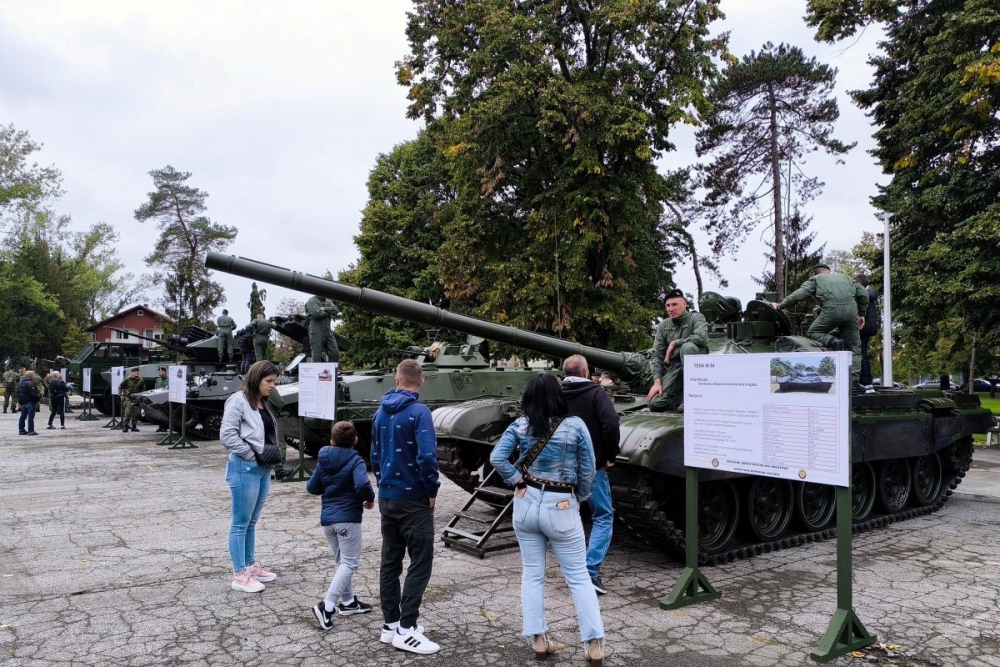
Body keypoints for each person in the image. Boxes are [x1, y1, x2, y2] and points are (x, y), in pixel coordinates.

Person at [489, 373, 604, 665]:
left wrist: (516, 480)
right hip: (561, 502)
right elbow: (588, 470)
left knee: (532, 575)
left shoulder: (520, 424)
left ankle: (539, 641)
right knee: (578, 577)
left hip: (525, 504)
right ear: (558, 395)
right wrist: (580, 497)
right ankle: (594, 645)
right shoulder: (575, 425)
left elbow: (497, 458)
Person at [370, 359, 441, 655]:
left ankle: (390, 624)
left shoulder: (379, 413)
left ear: (397, 380)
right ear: (420, 382)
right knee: (420, 561)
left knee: (391, 560)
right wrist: (431, 489)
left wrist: (382, 483)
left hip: (388, 496)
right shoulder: (419, 412)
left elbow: (374, 454)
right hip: (413, 498)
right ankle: (407, 628)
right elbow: (427, 456)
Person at [219, 360, 283, 593]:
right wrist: (248, 455)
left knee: (252, 521)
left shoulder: (262, 402)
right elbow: (227, 435)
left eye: (274, 381)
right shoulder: (238, 401)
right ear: (256, 379)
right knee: (240, 522)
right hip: (245, 468)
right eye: (268, 381)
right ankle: (239, 574)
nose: (272, 386)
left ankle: (250, 565)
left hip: (263, 468)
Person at [307, 421, 376, 630]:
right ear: (355, 440)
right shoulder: (356, 460)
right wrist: (369, 498)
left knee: (342, 562)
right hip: (348, 519)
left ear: (331, 440)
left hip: (328, 520)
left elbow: (312, 487)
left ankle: (348, 603)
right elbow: (363, 484)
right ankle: (326, 607)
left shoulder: (324, 459)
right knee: (350, 563)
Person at [561, 355, 621, 596]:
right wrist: (609, 454)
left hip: (562, 467)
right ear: (585, 371)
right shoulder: (596, 393)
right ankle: (590, 570)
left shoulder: (557, 393)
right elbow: (610, 423)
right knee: (603, 515)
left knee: (568, 516)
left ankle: (573, 571)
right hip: (591, 466)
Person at [772, 264, 869, 390]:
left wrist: (780, 305)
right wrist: (861, 314)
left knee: (813, 331)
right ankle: (854, 383)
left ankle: (833, 342)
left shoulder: (816, 279)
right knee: (854, 347)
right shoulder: (847, 278)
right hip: (851, 312)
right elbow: (863, 294)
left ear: (815, 273)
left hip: (831, 311)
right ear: (829, 272)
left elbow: (800, 294)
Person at [646, 288, 709, 411]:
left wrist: (676, 343)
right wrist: (657, 382)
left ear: (685, 304)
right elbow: (657, 354)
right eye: (668, 305)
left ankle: (693, 397)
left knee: (687, 347)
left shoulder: (696, 318)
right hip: (677, 367)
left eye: (674, 304)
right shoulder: (664, 325)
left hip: (698, 366)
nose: (670, 309)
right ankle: (680, 397)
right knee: (655, 404)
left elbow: (702, 338)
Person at [854, 273, 879, 387]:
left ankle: (864, 381)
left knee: (860, 353)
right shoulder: (870, 296)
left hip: (863, 327)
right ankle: (868, 381)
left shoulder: (861, 296)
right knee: (863, 353)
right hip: (869, 326)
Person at [305, 295, 341, 363]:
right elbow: (318, 314)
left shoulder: (328, 301)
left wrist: (325, 309)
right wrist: (329, 313)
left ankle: (332, 372)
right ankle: (316, 372)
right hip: (316, 331)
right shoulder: (311, 301)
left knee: (335, 353)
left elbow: (336, 310)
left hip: (328, 331)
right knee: (316, 356)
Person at [119, 367, 146, 433]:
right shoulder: (127, 379)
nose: (137, 373)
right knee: (128, 410)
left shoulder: (141, 380)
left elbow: (143, 389)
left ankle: (134, 426)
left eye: (137, 372)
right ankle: (125, 426)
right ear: (132, 373)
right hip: (128, 397)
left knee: (136, 412)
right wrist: (120, 395)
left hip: (136, 397)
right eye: (135, 372)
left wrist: (142, 397)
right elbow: (120, 386)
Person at [16, 370, 41, 436]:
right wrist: (38, 398)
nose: (34, 376)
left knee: (22, 416)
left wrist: (20, 402)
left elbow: (18, 393)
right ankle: (31, 430)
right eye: (33, 375)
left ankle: (21, 430)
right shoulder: (30, 383)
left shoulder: (20, 383)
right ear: (31, 375)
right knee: (30, 417)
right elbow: (33, 394)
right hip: (30, 402)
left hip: (22, 402)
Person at [154, 367, 169, 432]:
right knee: (159, 413)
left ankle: (166, 426)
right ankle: (160, 426)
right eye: (158, 372)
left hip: (166, 398)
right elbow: (156, 388)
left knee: (165, 413)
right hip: (159, 398)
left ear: (164, 372)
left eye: (160, 372)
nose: (159, 373)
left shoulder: (169, 380)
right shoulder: (158, 380)